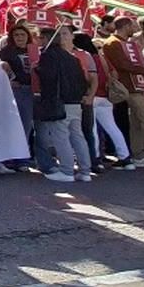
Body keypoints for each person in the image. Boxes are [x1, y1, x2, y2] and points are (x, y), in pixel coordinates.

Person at [99, 21, 144, 171]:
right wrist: (142, 70)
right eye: (133, 26)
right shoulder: (113, 43)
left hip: (137, 85)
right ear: (126, 26)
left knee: (137, 122)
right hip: (127, 87)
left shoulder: (127, 43)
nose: (135, 29)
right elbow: (122, 64)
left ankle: (138, 155)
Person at [35, 28, 94, 183]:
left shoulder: (48, 56)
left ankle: (67, 171)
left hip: (59, 102)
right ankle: (85, 170)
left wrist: (37, 69)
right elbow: (83, 80)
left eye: (40, 37)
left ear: (46, 38)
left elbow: (48, 78)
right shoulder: (72, 58)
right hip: (75, 102)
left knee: (61, 137)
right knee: (77, 136)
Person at [0, 24, 44, 173]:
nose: (19, 38)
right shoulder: (6, 52)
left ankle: (27, 156)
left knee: (33, 126)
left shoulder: (34, 50)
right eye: (16, 35)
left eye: (22, 35)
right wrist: (9, 81)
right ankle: (19, 159)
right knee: (20, 125)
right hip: (18, 90)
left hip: (35, 90)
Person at [82, 33, 129, 168]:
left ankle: (95, 157)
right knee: (112, 127)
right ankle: (125, 156)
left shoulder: (85, 57)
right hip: (106, 96)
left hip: (92, 95)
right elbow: (114, 73)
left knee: (92, 129)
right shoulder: (102, 58)